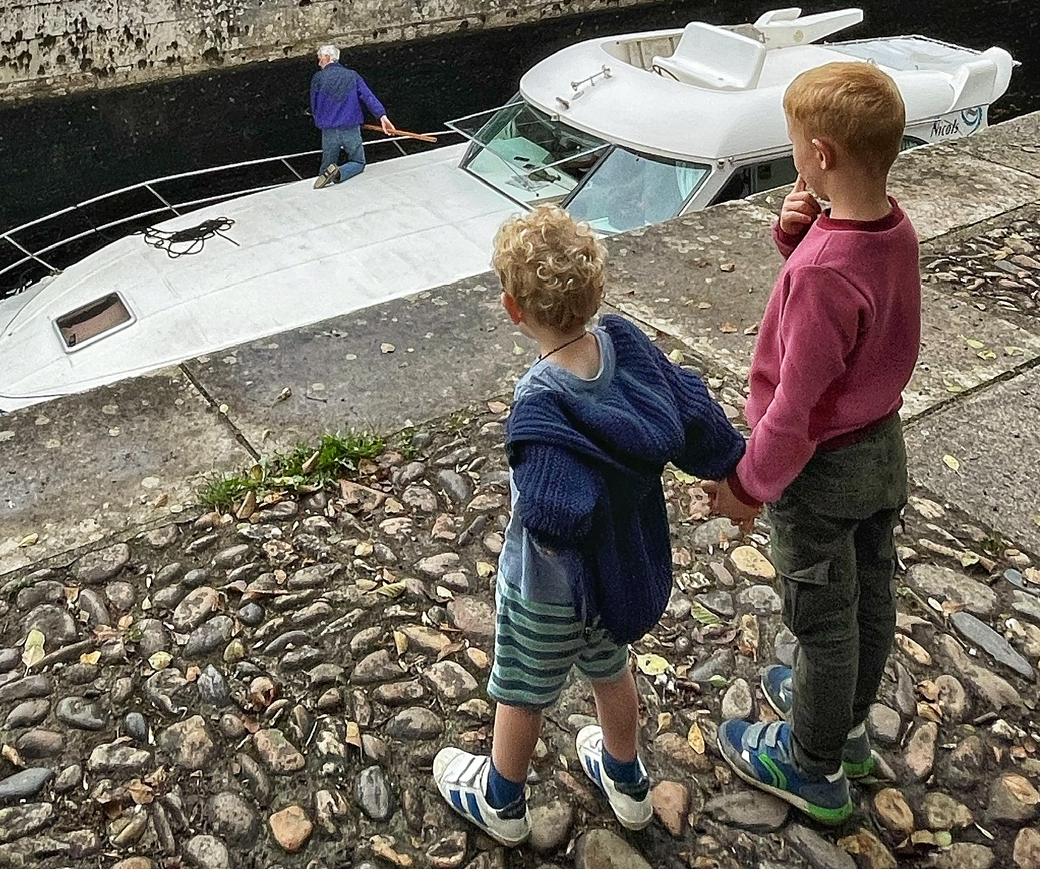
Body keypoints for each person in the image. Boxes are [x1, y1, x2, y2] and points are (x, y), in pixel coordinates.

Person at [432, 204, 745, 845]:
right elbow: (688, 406)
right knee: (611, 669)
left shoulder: (540, 400)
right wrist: (730, 466)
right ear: (596, 291)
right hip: (619, 572)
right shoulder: (625, 345)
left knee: (521, 691)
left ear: (514, 309)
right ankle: (627, 783)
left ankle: (501, 800)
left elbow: (552, 515)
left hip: (549, 592)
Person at [703, 60, 918, 824]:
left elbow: (797, 407)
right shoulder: (890, 227)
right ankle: (846, 726)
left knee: (823, 621)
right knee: (869, 596)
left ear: (819, 153)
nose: (793, 154)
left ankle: (811, 763)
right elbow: (847, 303)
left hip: (821, 470)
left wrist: (747, 484)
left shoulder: (824, 272)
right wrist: (797, 230)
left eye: (795, 143)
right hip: (880, 450)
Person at [309, 43, 394, 187]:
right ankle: (340, 173)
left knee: (326, 166)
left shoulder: (318, 78)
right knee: (358, 162)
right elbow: (368, 97)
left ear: (327, 57)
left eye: (319, 59)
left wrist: (319, 120)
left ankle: (326, 176)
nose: (319, 63)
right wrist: (382, 116)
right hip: (350, 128)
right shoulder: (352, 75)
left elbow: (314, 103)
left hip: (328, 130)